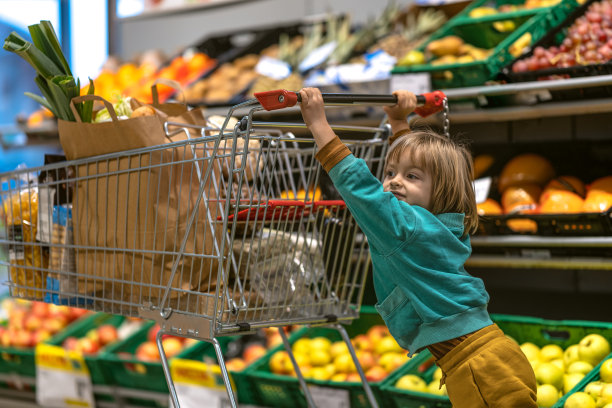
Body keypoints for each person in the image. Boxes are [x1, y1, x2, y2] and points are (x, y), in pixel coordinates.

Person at [298, 87, 537, 408]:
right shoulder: (444, 223)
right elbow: (419, 171)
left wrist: (318, 124)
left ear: (442, 191)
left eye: (411, 177)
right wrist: (399, 122)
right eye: (390, 173)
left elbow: (360, 188)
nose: (395, 181)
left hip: (477, 365)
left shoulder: (405, 228)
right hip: (488, 355)